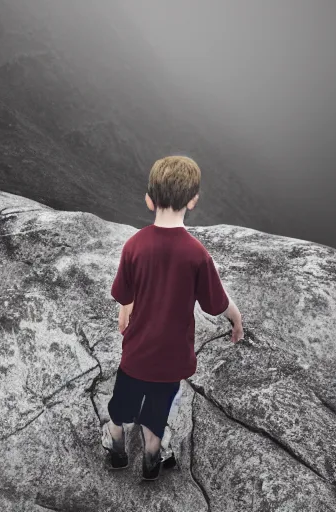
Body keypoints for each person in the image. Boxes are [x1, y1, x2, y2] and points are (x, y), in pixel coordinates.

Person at [101, 155, 244, 481]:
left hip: (137, 353)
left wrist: (125, 313)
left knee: (122, 402)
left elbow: (126, 292)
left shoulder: (134, 245)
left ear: (149, 199)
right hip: (172, 358)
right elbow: (215, 303)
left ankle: (116, 445)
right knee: (157, 409)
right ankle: (152, 458)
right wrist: (236, 318)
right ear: (192, 200)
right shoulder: (196, 253)